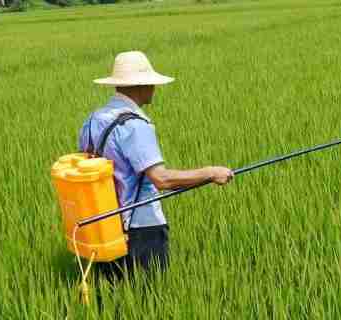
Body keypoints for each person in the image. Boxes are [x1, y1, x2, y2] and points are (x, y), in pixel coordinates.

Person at [79, 51, 234, 280]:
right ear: (140, 85)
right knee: (148, 296)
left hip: (104, 227)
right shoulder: (135, 125)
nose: (154, 88)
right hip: (141, 229)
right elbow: (161, 179)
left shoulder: (93, 119)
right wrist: (211, 173)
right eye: (151, 83)